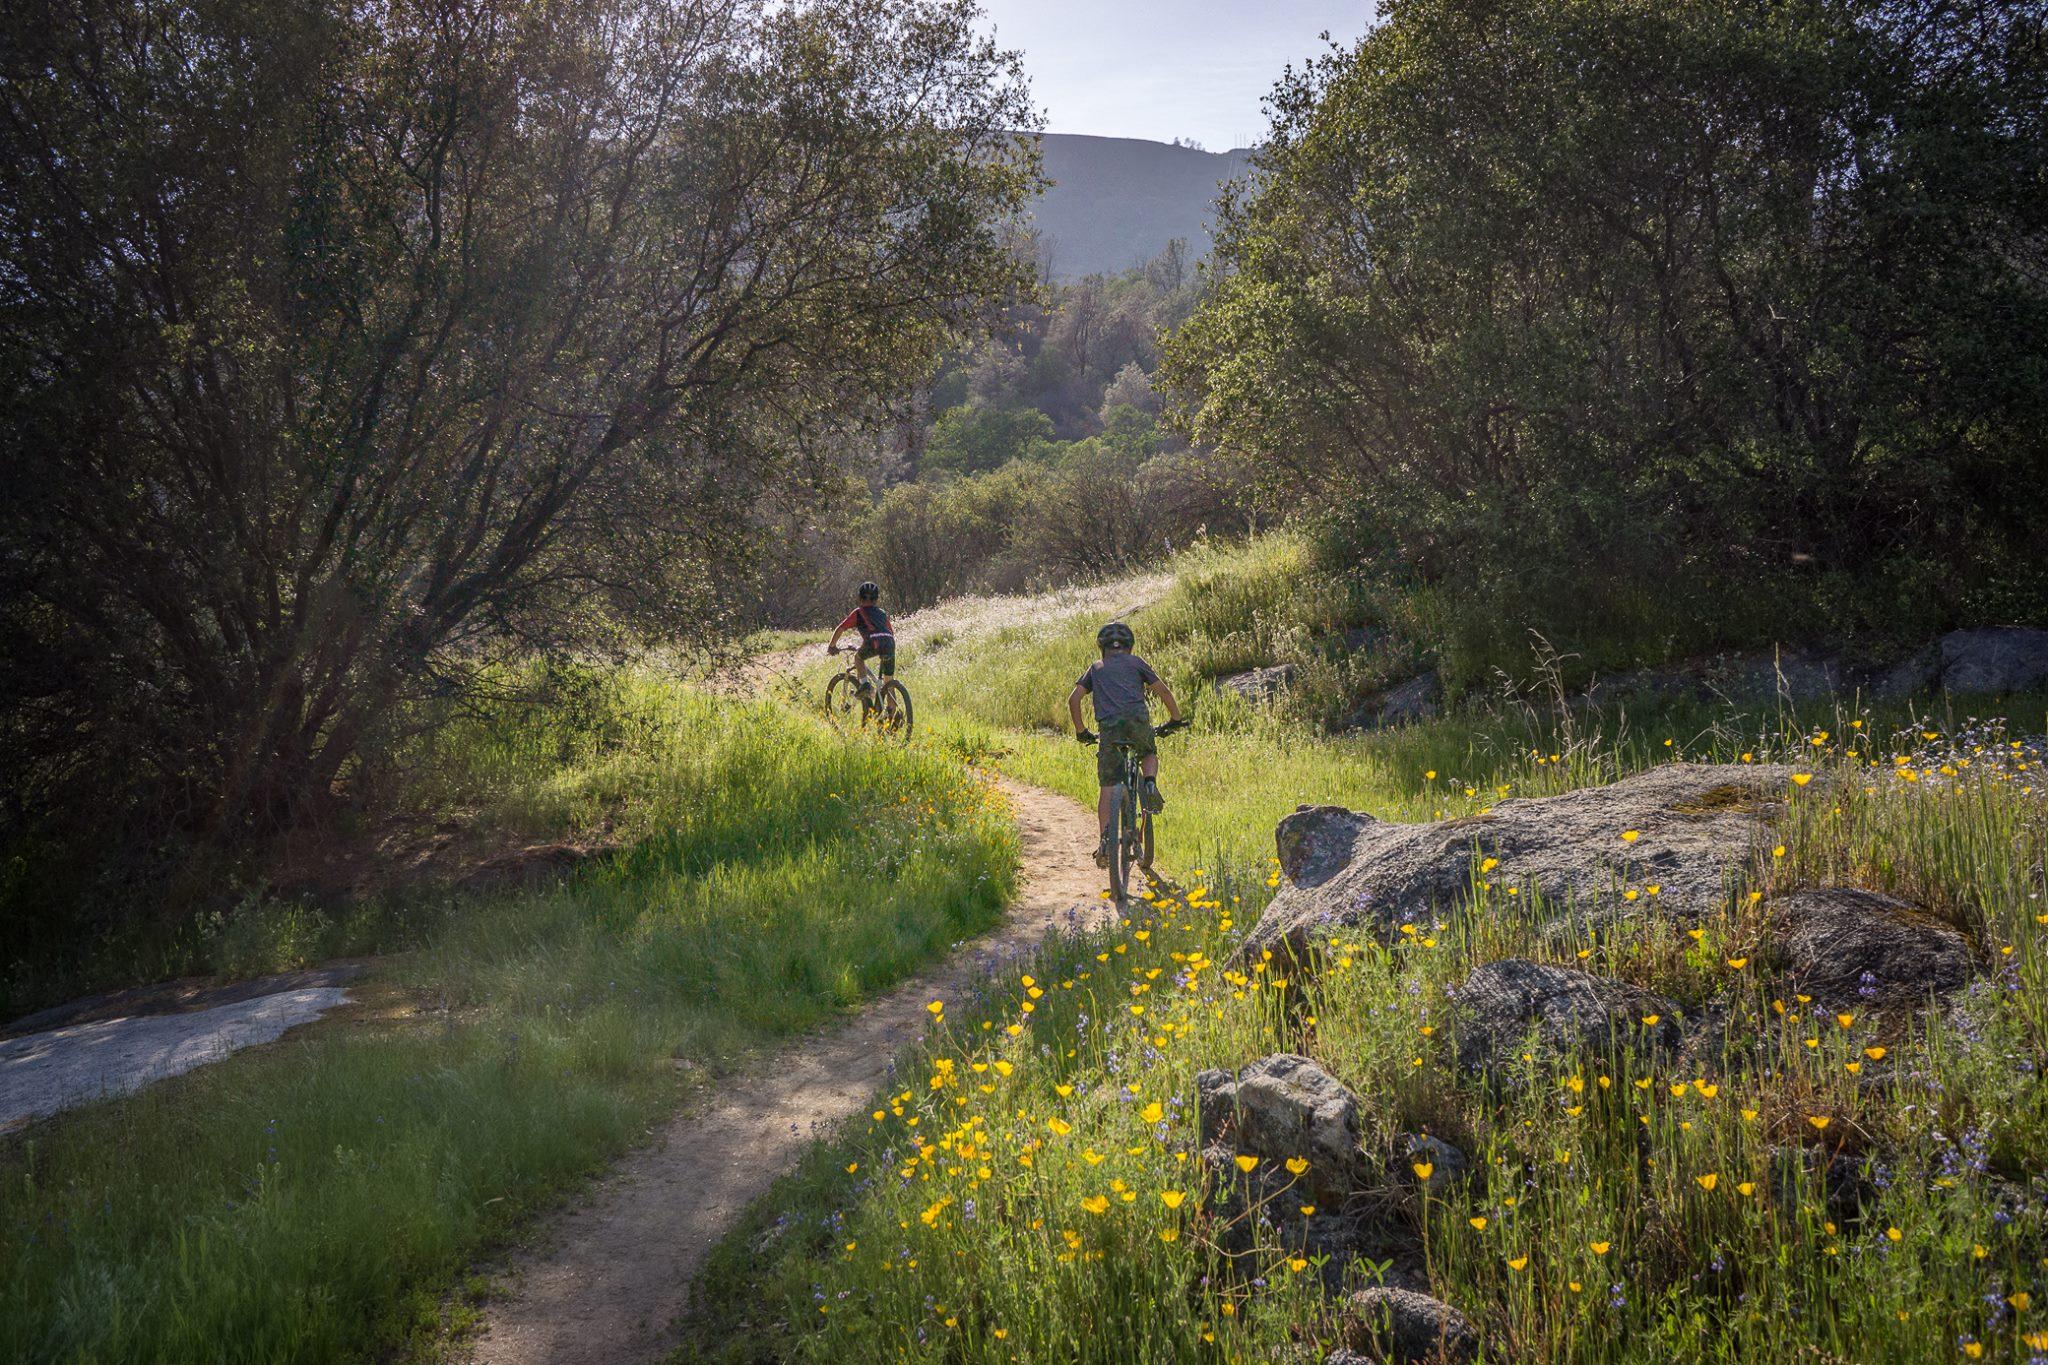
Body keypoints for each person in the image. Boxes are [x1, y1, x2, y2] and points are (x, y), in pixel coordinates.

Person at [1068, 620, 1184, 867]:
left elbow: (1074, 699)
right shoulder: (1137, 663)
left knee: (1108, 785)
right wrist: (1175, 719)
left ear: (1102, 647)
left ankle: (1105, 841)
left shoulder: (1096, 667)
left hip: (1109, 730)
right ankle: (1150, 785)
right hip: (1138, 723)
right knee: (1148, 752)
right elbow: (1163, 691)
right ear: (1130, 646)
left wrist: (1081, 732)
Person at [827, 581, 894, 693]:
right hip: (890, 643)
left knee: (858, 658)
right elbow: (890, 631)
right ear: (876, 599)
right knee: (889, 683)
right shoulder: (882, 613)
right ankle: (892, 709)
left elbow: (841, 628)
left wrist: (832, 646)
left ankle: (865, 685)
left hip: (873, 642)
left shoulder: (858, 612)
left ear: (860, 598)